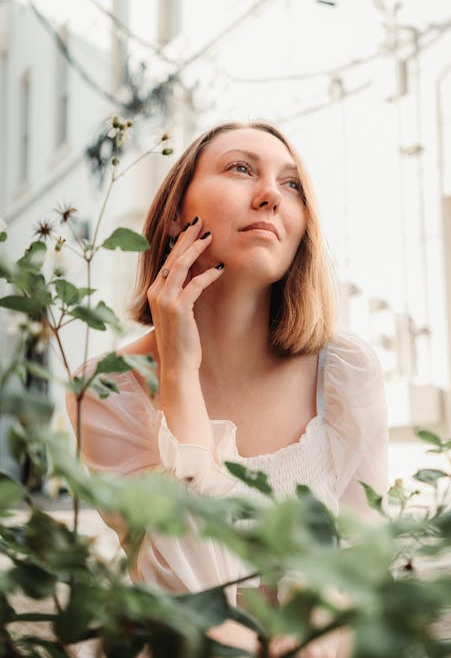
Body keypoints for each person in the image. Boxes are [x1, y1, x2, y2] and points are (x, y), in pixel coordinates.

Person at [66, 121, 388, 657]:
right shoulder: (105, 390)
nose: (269, 195)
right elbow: (181, 584)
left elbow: (365, 575)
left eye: (292, 185)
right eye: (241, 168)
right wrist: (179, 377)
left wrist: (319, 602)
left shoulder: (345, 372)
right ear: (174, 215)